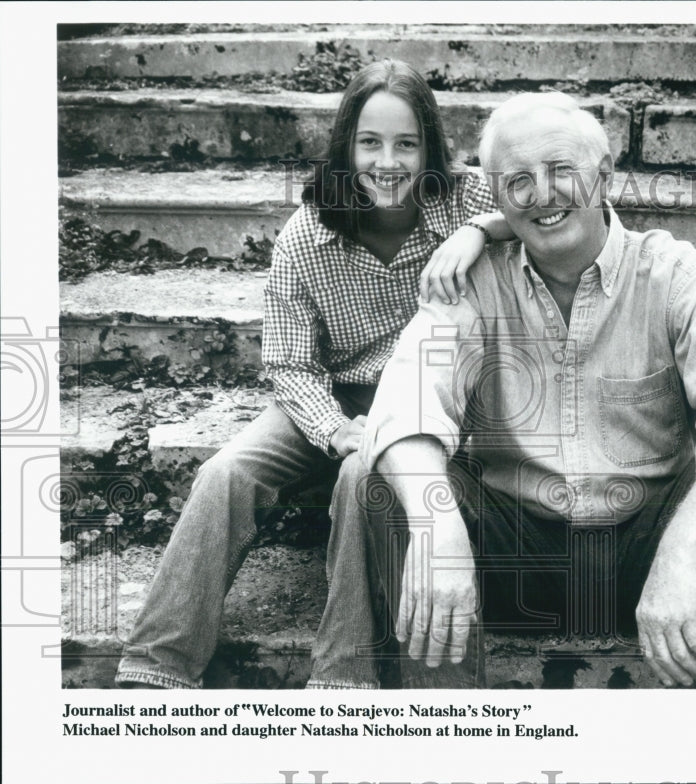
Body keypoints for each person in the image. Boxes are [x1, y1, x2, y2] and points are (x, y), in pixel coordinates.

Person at [344, 91, 696, 688]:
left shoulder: (680, 278)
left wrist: (681, 550)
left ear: (604, 176)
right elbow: (407, 401)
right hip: (513, 560)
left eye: (561, 170)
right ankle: (445, 732)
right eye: (519, 181)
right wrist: (439, 527)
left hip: (647, 556)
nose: (542, 194)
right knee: (385, 478)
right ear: (498, 197)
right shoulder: (472, 286)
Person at [115, 59, 510, 689]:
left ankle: (340, 677)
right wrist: (331, 426)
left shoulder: (467, 199)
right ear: (345, 146)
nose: (389, 162)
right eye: (370, 143)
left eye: (407, 143)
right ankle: (155, 665)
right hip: (331, 393)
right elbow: (291, 362)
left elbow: (543, 212)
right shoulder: (307, 235)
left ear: (431, 147)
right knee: (225, 472)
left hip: (429, 400)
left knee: (364, 472)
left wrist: (476, 230)